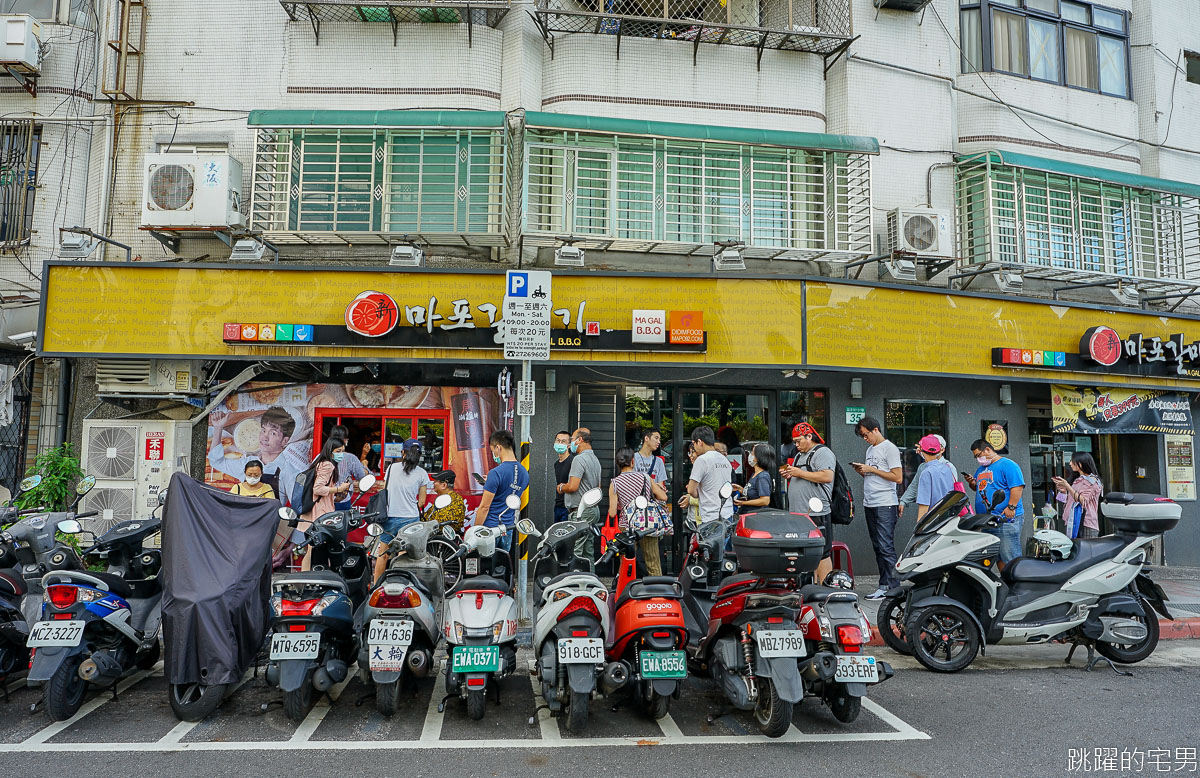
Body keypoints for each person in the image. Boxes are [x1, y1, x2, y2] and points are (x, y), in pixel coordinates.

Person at [208, 406, 305, 507]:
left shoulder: (289, 472)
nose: (264, 437)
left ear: (285, 441)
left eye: (273, 433)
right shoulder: (247, 463)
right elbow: (216, 461)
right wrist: (218, 428)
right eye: (263, 430)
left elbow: (298, 506)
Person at [851, 416, 902, 600]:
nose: (865, 439)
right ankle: (883, 584)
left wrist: (871, 470)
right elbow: (876, 476)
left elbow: (897, 477)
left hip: (885, 503)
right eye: (863, 436)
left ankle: (894, 587)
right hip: (870, 502)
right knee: (878, 546)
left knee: (885, 546)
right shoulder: (870, 449)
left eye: (866, 435)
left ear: (875, 430)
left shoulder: (890, 449)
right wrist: (863, 472)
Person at [781, 422, 836, 583]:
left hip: (817, 512)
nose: (796, 445)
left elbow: (827, 476)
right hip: (799, 513)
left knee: (822, 552)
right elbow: (802, 475)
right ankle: (809, 584)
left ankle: (825, 587)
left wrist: (799, 472)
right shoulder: (799, 455)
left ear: (809, 437)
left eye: (799, 441)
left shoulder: (822, 453)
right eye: (795, 442)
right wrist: (790, 474)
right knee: (804, 552)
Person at [608, 447, 670, 576]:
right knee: (653, 561)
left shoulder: (615, 483)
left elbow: (613, 513)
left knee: (627, 561)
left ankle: (627, 590)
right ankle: (656, 591)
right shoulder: (645, 477)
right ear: (632, 462)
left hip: (627, 525)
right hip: (647, 523)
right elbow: (663, 497)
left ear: (618, 463)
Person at [966, 439, 1026, 563]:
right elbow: (979, 488)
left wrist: (1011, 507)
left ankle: (1016, 581)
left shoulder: (1008, 465)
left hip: (1005, 519)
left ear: (987, 449)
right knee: (997, 557)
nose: (978, 459)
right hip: (988, 520)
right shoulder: (981, 469)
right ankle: (1005, 580)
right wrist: (972, 483)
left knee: (1009, 556)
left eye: (978, 455)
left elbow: (1017, 487)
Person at [377, 439, 428, 580]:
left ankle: (375, 586)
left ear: (403, 452)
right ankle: (402, 584)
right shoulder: (422, 473)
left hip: (390, 517)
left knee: (383, 554)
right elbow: (422, 501)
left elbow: (384, 489)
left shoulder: (391, 468)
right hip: (410, 519)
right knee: (404, 555)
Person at [299, 438, 352, 571]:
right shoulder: (328, 465)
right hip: (320, 514)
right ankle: (305, 579)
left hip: (317, 511)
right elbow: (318, 489)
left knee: (313, 549)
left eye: (343, 451)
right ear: (330, 451)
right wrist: (339, 488)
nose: (341, 454)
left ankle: (307, 578)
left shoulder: (321, 463)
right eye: (338, 451)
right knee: (313, 549)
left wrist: (335, 493)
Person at [475, 429, 530, 552]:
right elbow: (510, 492)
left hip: (490, 529)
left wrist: (475, 531)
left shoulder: (496, 473)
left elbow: (484, 507)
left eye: (492, 450)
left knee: (486, 566)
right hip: (508, 528)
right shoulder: (524, 473)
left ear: (498, 448)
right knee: (502, 566)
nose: (493, 454)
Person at [559, 427, 602, 559]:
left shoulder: (579, 459)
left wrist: (561, 487)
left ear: (580, 440)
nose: (569, 443)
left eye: (572, 439)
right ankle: (589, 579)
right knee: (588, 551)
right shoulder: (595, 459)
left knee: (575, 551)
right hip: (593, 510)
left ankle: (574, 579)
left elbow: (573, 486)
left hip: (580, 511)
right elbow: (598, 489)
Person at [677, 426, 733, 524]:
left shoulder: (702, 460)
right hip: (727, 513)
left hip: (711, 516)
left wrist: (700, 491)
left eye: (694, 443)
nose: (693, 447)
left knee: (709, 540)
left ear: (699, 442)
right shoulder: (724, 459)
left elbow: (691, 490)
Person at [1053, 452, 1103, 539]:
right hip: (1072, 522)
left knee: (1085, 551)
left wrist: (1067, 486)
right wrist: (1064, 491)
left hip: (1085, 523)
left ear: (1080, 463)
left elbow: (1083, 500)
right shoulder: (1078, 480)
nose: (1070, 464)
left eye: (1072, 461)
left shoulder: (1092, 481)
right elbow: (1070, 501)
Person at [914, 435, 956, 519]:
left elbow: (924, 505)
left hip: (932, 521)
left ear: (921, 450)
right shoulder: (947, 468)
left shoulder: (926, 472)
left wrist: (918, 529)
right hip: (947, 518)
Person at [330, 424, 366, 512]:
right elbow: (361, 476)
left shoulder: (320, 457)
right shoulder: (350, 458)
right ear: (345, 440)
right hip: (343, 500)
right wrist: (364, 465)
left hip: (323, 500)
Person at [732, 442, 775, 512]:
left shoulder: (762, 477)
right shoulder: (754, 474)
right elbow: (753, 494)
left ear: (759, 457)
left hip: (756, 515)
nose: (750, 455)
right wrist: (740, 489)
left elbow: (765, 500)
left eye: (752, 453)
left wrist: (743, 503)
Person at [424, 469, 467, 534]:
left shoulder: (445, 500)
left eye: (435, 481)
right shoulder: (457, 498)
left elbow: (434, 520)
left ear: (444, 485)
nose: (433, 483)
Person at [552, 430, 574, 524]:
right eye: (558, 440)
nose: (560, 443)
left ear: (569, 445)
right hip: (558, 505)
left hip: (568, 508)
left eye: (563, 441)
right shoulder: (556, 464)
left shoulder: (573, 462)